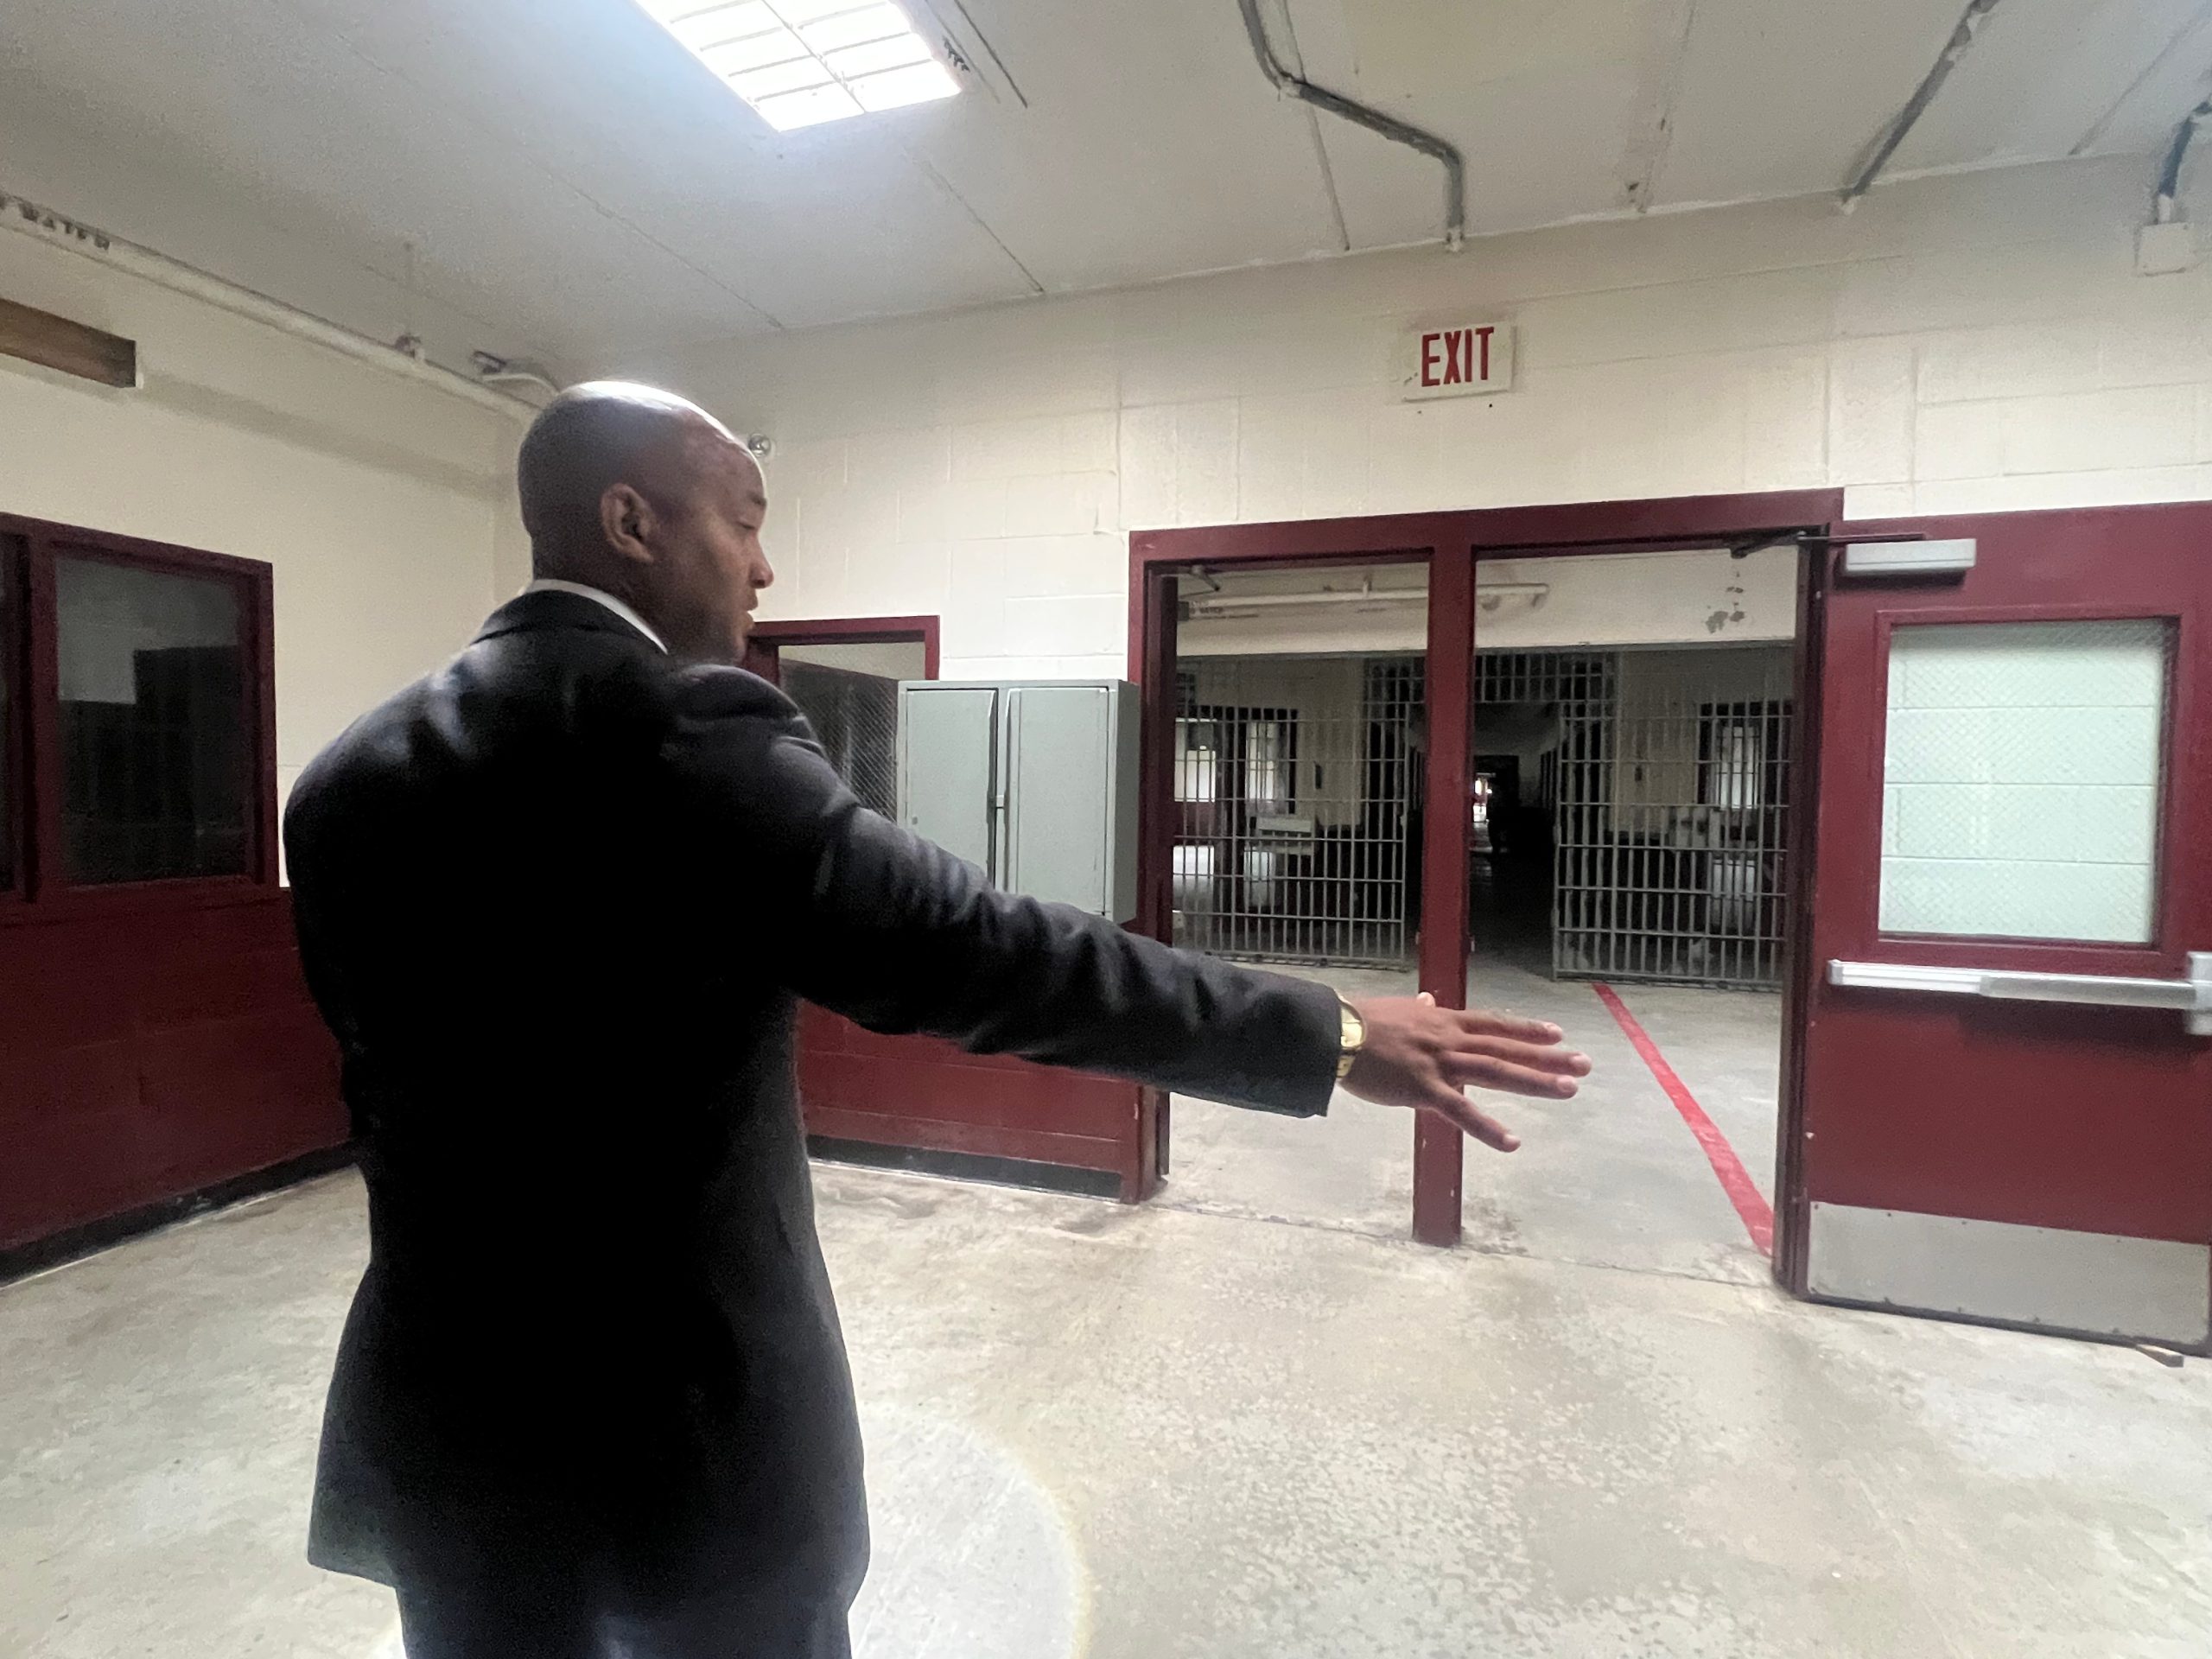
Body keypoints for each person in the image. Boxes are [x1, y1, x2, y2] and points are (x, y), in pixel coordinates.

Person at [283, 382, 1591, 1658]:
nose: (764, 567)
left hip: (441, 1416)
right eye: (742, 520)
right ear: (631, 524)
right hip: (679, 1423)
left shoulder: (345, 780)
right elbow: (985, 953)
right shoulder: (681, 737)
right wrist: (1333, 1034)